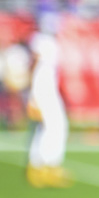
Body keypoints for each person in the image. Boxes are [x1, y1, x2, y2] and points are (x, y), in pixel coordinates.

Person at [26, 28, 71, 188]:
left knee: (53, 127)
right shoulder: (42, 40)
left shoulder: (48, 41)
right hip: (43, 90)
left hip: (48, 89)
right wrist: (33, 97)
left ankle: (45, 165)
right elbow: (35, 66)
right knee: (51, 127)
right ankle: (44, 166)